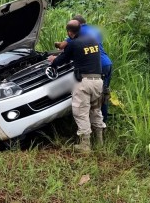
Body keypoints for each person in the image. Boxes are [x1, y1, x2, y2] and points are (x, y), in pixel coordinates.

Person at [48, 20, 106, 153]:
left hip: (84, 83)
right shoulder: (93, 39)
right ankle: (100, 143)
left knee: (81, 112)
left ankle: (85, 146)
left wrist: (53, 61)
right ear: (81, 28)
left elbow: (62, 59)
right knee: (96, 111)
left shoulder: (74, 44)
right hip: (98, 82)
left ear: (69, 32)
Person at [55, 15, 112, 123]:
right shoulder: (95, 30)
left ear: (78, 25)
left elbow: (63, 46)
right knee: (103, 94)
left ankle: (99, 123)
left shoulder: (79, 33)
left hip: (96, 67)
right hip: (107, 63)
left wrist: (57, 46)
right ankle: (103, 121)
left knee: (95, 98)